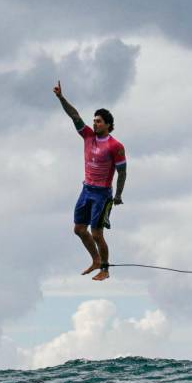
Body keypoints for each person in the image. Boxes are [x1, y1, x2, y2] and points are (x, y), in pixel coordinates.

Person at [53, 80, 127, 281]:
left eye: (99, 121)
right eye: (94, 120)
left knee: (96, 233)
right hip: (86, 190)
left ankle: (105, 268)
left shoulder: (115, 146)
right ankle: (95, 260)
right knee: (78, 229)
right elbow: (74, 115)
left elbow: (122, 172)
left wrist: (118, 195)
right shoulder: (88, 136)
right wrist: (61, 98)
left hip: (102, 194)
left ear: (109, 125)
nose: (95, 123)